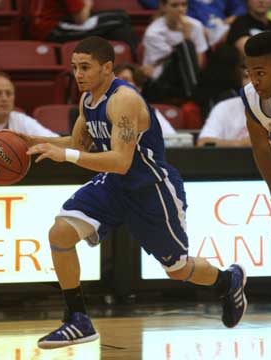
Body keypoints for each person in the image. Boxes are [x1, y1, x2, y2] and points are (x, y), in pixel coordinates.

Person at [19, 36, 247, 349]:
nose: (78, 74)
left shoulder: (123, 100)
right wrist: (27, 140)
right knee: (59, 233)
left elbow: (121, 161)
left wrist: (67, 157)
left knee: (178, 270)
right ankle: (77, 318)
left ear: (107, 67)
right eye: (74, 68)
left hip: (150, 190)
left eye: (85, 67)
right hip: (114, 186)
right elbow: (78, 145)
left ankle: (227, 280)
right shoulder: (88, 100)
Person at [242, 30, 271, 212]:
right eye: (249, 73)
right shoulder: (251, 97)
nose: (254, 81)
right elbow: (261, 148)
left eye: (260, 73)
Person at [141, 0, 208, 102]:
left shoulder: (196, 26)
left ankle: (194, 93)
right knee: (184, 47)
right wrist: (187, 38)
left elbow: (198, 64)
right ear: (163, 7)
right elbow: (165, 66)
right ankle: (194, 95)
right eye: (174, 5)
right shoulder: (154, 32)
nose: (180, 9)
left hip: (189, 77)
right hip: (161, 79)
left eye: (184, 5)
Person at [29, 0, 139, 61]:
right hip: (52, 29)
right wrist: (88, 3)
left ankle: (133, 61)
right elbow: (81, 18)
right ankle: (135, 61)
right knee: (120, 19)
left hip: (54, 23)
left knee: (119, 22)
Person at [197, 69, 251, 147]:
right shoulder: (224, 107)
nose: (251, 82)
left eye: (260, 74)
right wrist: (241, 144)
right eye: (247, 76)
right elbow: (203, 143)